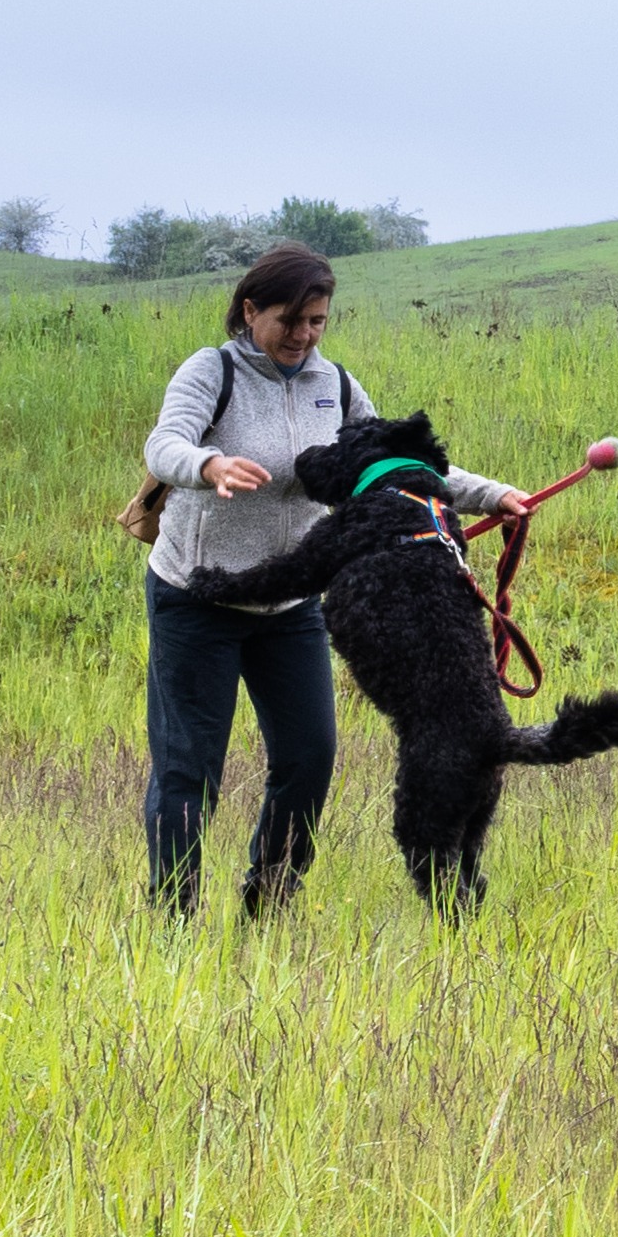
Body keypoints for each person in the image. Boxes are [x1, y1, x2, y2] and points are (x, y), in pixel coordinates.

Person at [134, 242, 528, 915]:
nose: (304, 335)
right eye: (291, 320)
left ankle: (272, 899)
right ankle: (174, 914)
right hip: (196, 594)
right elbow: (163, 444)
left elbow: (396, 463)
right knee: (188, 768)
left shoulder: (335, 386)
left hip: (290, 603)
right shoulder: (211, 371)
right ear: (251, 310)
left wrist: (492, 495)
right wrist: (208, 467)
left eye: (317, 320)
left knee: (309, 758)